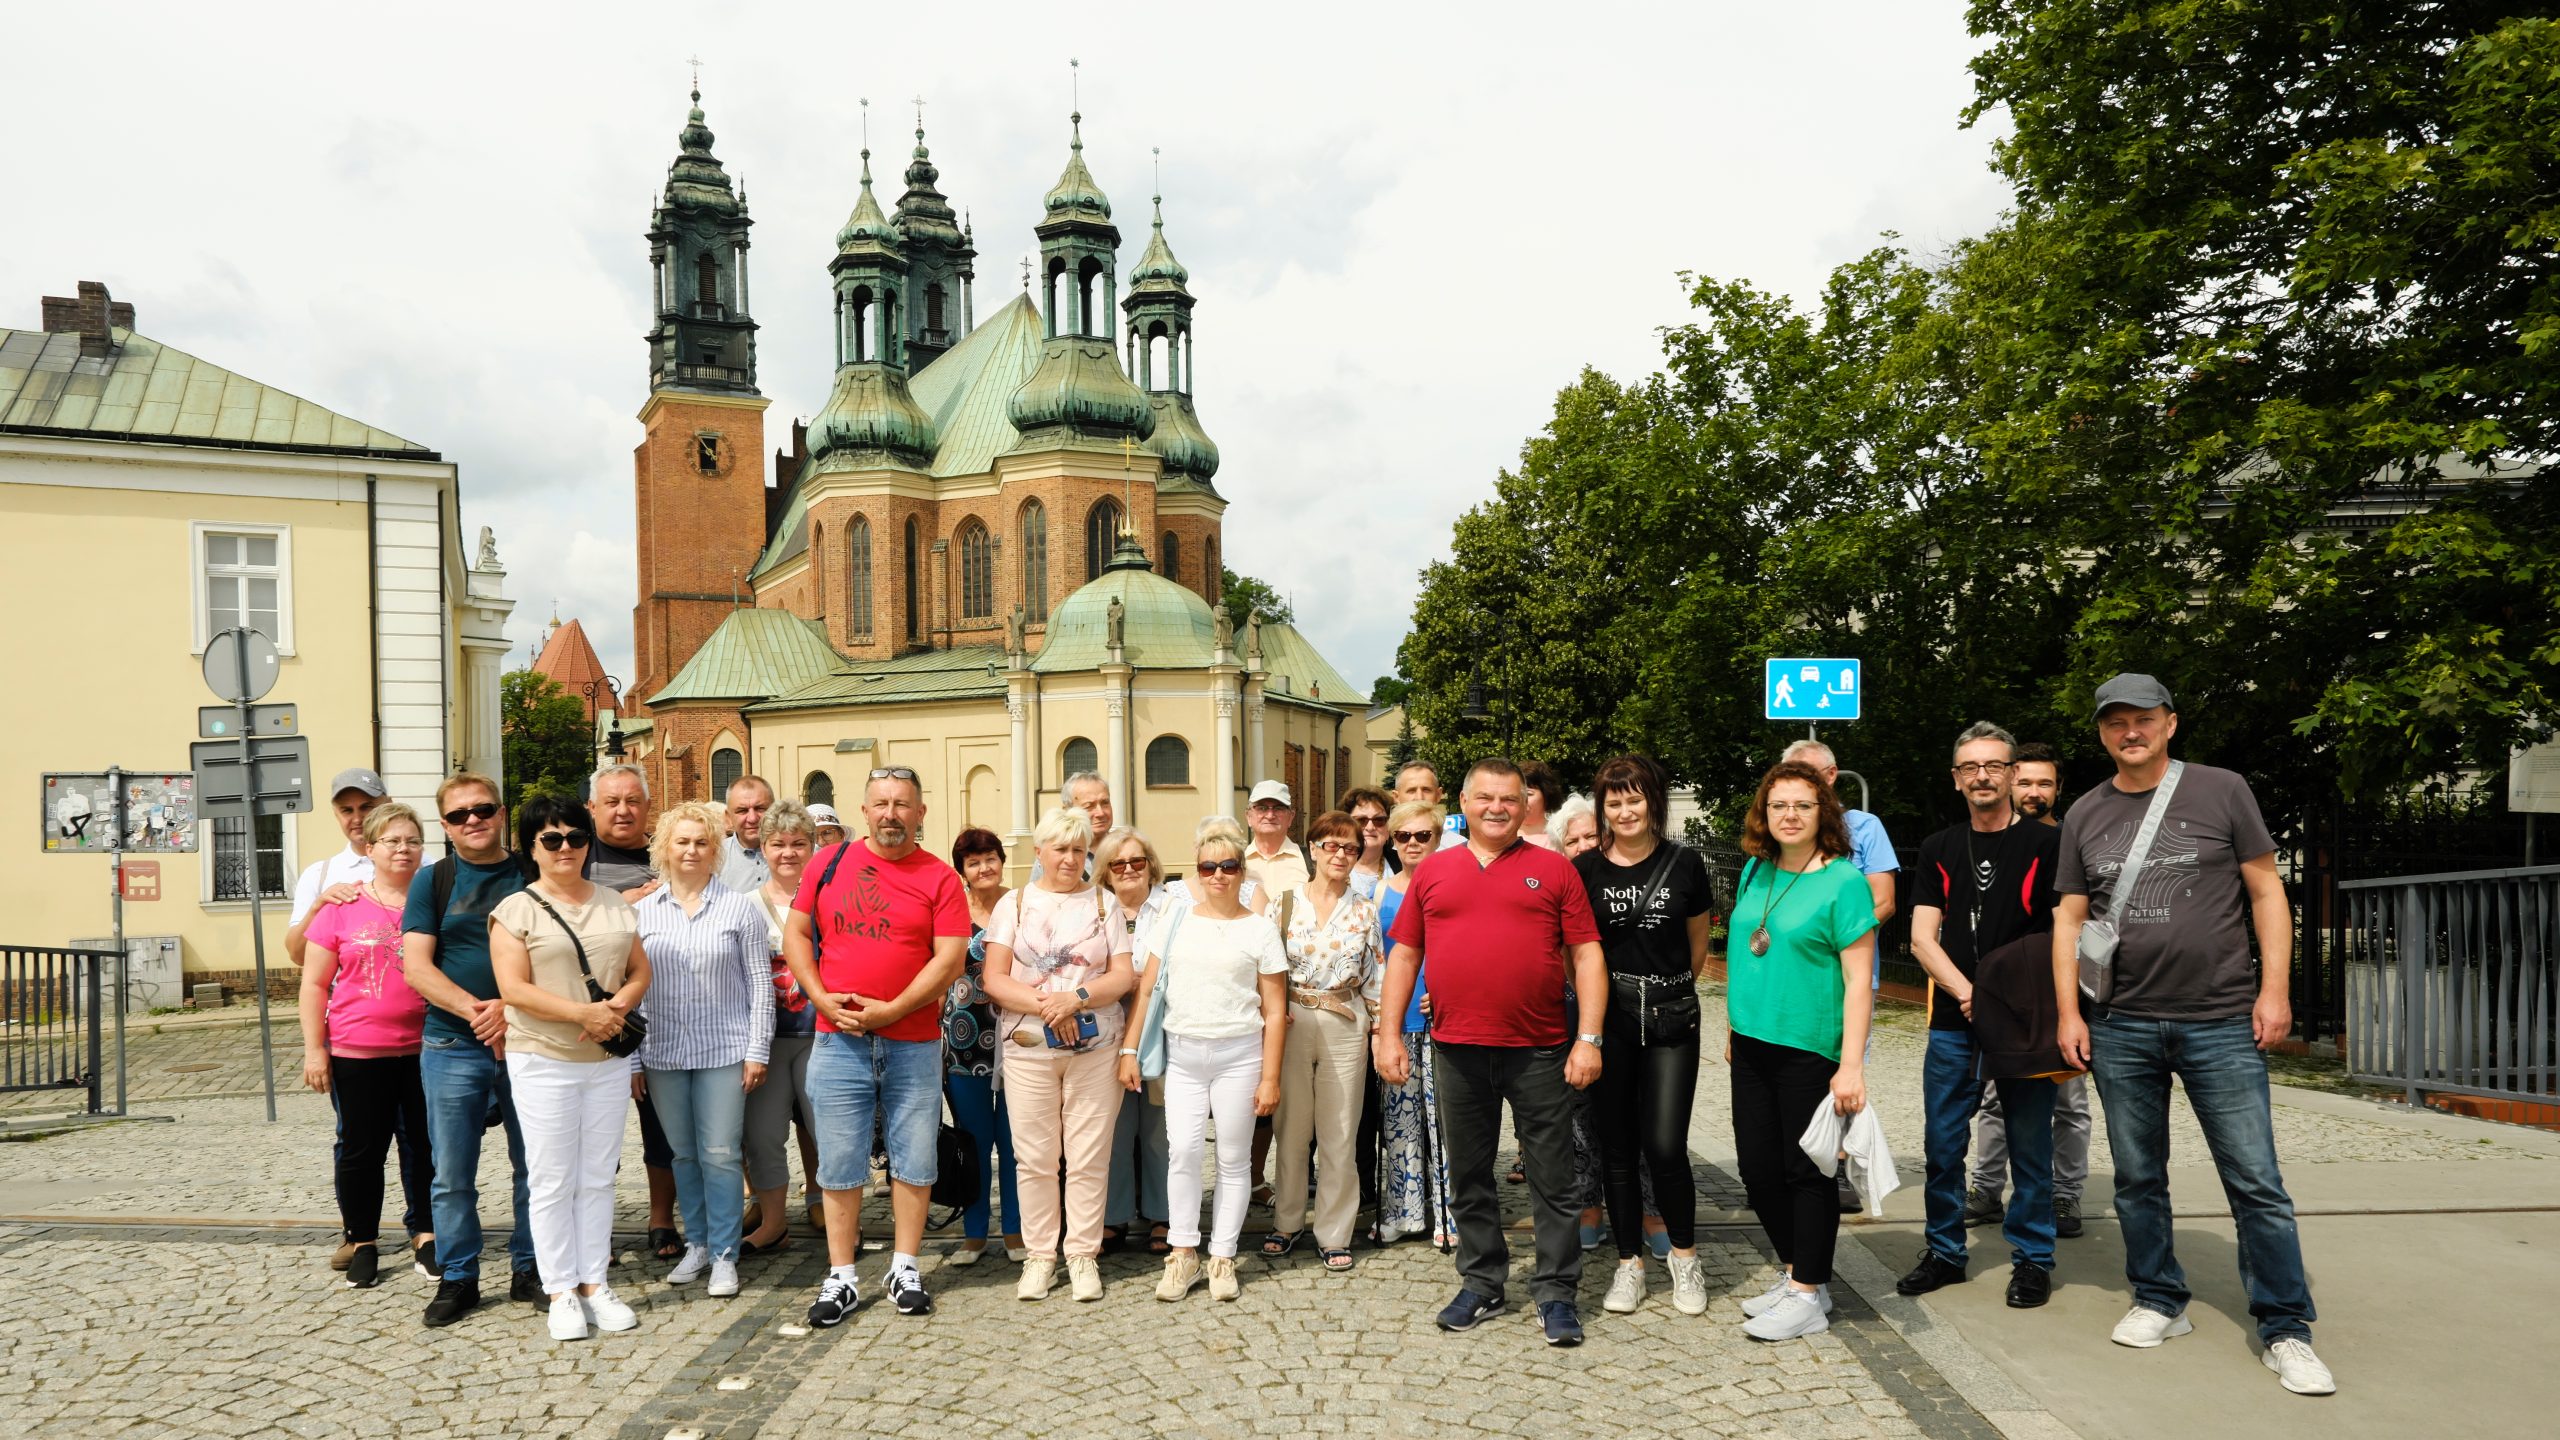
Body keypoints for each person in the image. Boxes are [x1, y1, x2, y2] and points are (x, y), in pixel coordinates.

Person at [2052, 675, 2333, 1395]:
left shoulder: (2221, 789)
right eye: (2115, 722)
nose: (2129, 732)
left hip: (2220, 1019)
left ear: (2170, 724)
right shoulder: (2085, 811)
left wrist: (2274, 990)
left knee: (2256, 1181)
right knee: (2139, 1179)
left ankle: (2285, 1328)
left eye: (2143, 719)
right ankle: (2158, 1297)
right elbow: (2069, 920)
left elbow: (2267, 890)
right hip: (2123, 1024)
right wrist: (2069, 1012)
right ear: (2102, 732)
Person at [1376, 759, 1605, 1348]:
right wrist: (1387, 1033)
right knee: (1470, 1175)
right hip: (1458, 1049)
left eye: (1508, 799)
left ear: (1525, 802)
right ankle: (1482, 1281)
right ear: (1464, 801)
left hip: (1541, 1048)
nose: (1497, 808)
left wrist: (1589, 1037)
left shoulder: (1554, 870)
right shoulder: (1434, 872)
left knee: (1554, 1180)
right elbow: (1404, 956)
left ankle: (1555, 1292)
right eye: (1485, 798)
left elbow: (1585, 955)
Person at [785, 767, 971, 1326]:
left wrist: (892, 1010)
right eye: (881, 803)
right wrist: (819, 996)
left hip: (912, 1042)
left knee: (915, 1160)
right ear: (864, 811)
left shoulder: (939, 878)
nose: (891, 813)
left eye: (902, 804)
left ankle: (904, 1266)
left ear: (921, 813)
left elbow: (950, 959)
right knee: (839, 1162)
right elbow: (796, 934)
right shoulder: (828, 862)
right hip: (837, 1041)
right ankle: (841, 1275)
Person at [1897, 723, 2065, 1310]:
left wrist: (1999, 1001)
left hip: (2023, 1024)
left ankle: (2034, 1259)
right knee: (1943, 1146)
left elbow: (2059, 935)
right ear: (1956, 779)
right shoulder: (1941, 846)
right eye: (1970, 767)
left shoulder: (2049, 846)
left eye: (1994, 766)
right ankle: (1944, 1252)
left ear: (2013, 774)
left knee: (2029, 1146)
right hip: (1953, 1021)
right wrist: (1970, 992)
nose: (1982, 777)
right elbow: (1921, 937)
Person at [487, 796, 651, 1343]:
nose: (565, 848)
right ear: (532, 848)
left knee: (599, 1175)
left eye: (575, 838)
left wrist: (615, 1010)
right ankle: (559, 1287)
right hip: (543, 1058)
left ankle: (594, 1282)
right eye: (551, 839)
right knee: (553, 1178)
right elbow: (513, 990)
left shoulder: (614, 903)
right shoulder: (516, 910)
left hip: (603, 1059)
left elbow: (638, 969)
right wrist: (584, 1013)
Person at [1725, 760, 1878, 1341]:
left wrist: (1852, 1066)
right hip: (1752, 1044)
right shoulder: (1754, 872)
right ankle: (1798, 1275)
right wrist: (1734, 1031)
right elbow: (1746, 955)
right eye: (1778, 805)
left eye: (1802, 805)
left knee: (1806, 1172)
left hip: (1811, 1049)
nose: (1789, 815)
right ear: (1764, 813)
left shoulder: (1843, 882)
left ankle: (1809, 1293)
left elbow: (1859, 982)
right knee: (1757, 1172)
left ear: (1824, 814)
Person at [1120, 818, 1289, 1302]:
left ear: (1242, 871)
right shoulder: (1175, 917)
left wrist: (1270, 1077)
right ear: (1197, 870)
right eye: (1208, 866)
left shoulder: (1259, 929)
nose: (1218, 874)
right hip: (1185, 1053)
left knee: (1234, 1160)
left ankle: (1223, 1256)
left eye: (1228, 865)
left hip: (1239, 1054)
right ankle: (1184, 1254)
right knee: (1183, 1154)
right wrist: (1130, 1049)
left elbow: (1275, 1011)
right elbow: (1148, 989)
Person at [1575, 755, 1714, 1319]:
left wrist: (1665, 993)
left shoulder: (1686, 863)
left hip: (1671, 1016)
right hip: (1610, 1017)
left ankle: (1684, 1256)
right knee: (1615, 1147)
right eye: (1614, 802)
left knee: (1663, 1145)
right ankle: (1628, 1262)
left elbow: (1699, 944)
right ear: (1602, 808)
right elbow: (1576, 954)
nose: (1625, 811)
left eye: (1635, 799)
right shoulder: (1585, 869)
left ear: (1653, 800)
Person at [401, 773, 539, 1328]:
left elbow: (553, 951)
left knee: (534, 1166)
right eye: (459, 815)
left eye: (482, 810)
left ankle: (530, 1268)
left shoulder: (532, 871)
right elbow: (416, 966)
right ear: (445, 826)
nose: (472, 820)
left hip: (530, 1040)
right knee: (452, 1171)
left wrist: (511, 1007)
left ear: (501, 813)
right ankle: (459, 1276)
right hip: (452, 1042)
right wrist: (480, 1011)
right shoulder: (433, 880)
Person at [982, 807, 1136, 1302]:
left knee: (1090, 1155)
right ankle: (1040, 1256)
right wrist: (1051, 1005)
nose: (1069, 859)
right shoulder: (1016, 902)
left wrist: (1079, 998)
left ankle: (1083, 1254)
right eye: (1060, 849)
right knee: (1034, 1158)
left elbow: (1121, 975)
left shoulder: (1103, 903)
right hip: (1028, 1046)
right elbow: (995, 978)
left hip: (1095, 1046)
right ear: (1039, 852)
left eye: (1078, 850)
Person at [289, 766, 432, 1279]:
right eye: (391, 841)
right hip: (356, 1050)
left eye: (412, 841)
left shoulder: (434, 898)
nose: (402, 849)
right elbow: (312, 981)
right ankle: (362, 1239)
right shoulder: (341, 903)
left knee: (422, 1143)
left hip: (425, 1047)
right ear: (369, 849)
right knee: (360, 1148)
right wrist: (314, 1048)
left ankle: (426, 1233)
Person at [632, 800, 774, 1298]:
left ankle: (724, 1254)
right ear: (665, 849)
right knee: (683, 1154)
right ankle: (697, 1242)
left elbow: (760, 985)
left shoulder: (739, 907)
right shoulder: (642, 912)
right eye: (682, 841)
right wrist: (632, 1060)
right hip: (663, 1050)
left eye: (701, 842)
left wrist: (757, 1050)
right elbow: (630, 989)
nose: (691, 850)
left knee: (719, 1154)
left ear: (715, 850)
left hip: (724, 1049)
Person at [1970, 740, 2094, 1238]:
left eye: (2045, 783)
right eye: (2024, 782)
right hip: (2007, 993)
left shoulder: (2071, 843)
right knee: (1998, 1096)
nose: (2033, 792)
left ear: (2058, 789)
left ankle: (2065, 1196)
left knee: (2069, 1099)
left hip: (2061, 989)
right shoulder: (1991, 843)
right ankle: (1985, 1187)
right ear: (2008, 782)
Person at [1783, 737, 1900, 1211]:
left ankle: (1839, 1169)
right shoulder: (1783, 833)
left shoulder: (1863, 827)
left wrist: (1827, 936)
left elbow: (1885, 901)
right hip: (1792, 980)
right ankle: (1790, 1167)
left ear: (1831, 777)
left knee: (1840, 1073)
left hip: (1845, 978)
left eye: (1807, 774)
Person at [1263, 810, 1381, 1272]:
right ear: (1312, 848)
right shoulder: (1283, 903)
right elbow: (1266, 970)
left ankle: (1334, 1231)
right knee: (1291, 1128)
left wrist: (1378, 1031)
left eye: (1349, 847)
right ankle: (1287, 1221)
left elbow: (1376, 977)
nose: (1340, 855)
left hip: (1344, 1019)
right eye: (1330, 845)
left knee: (1340, 1129)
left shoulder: (1364, 910)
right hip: (1291, 1020)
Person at [584, 763, 682, 1260]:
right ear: (592, 809)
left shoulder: (666, 855)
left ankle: (661, 1219)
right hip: (586, 1021)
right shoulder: (576, 855)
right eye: (612, 802)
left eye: (633, 801)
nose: (623, 811)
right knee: (592, 1133)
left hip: (658, 1014)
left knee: (659, 1128)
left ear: (648, 806)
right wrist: (620, 903)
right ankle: (591, 1227)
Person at [742, 801, 824, 1255]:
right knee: (763, 1134)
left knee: (827, 1130)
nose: (788, 853)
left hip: (820, 1036)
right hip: (767, 1041)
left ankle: (834, 1214)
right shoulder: (746, 906)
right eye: (778, 844)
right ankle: (773, 1221)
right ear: (763, 847)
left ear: (812, 847)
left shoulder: (829, 901)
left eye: (798, 843)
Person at [1372, 800, 1454, 1250]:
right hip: (1396, 1021)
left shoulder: (1453, 886)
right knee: (1400, 1124)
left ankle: (1451, 1214)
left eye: (1423, 835)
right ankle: (1405, 1213)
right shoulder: (1381, 893)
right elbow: (1375, 962)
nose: (1413, 844)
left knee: (1447, 1122)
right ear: (1392, 841)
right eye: (1403, 836)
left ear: (1437, 838)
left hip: (1445, 1021)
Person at [944, 826, 1025, 1265]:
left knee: (1015, 1144)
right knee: (972, 1143)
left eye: (990, 858)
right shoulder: (952, 911)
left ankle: (1015, 1231)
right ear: (963, 871)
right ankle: (974, 1233)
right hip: (963, 1039)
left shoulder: (1021, 904)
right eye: (973, 862)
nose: (984, 867)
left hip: (1015, 1036)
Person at [1097, 827, 1173, 1255]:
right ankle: (1114, 1216)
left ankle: (1163, 1216)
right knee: (1114, 1128)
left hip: (1160, 1031)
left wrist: (1134, 981)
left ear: (1150, 866)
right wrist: (1125, 981)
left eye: (1137, 861)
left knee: (1158, 1130)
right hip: (1108, 1031)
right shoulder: (1095, 910)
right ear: (1106, 873)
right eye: (1118, 863)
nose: (1128, 869)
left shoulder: (1172, 907)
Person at [1242, 780, 1310, 896]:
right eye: (1262, 808)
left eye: (1278, 808)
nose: (1270, 815)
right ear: (1249, 816)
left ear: (1291, 817)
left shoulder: (1310, 861)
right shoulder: (1236, 863)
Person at [719, 774, 776, 891]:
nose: (752, 818)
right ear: (728, 817)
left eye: (760, 808)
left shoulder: (804, 853)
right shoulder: (714, 858)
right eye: (742, 811)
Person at [1394, 761, 1466, 849]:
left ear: (1438, 795)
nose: (1419, 797)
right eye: (1411, 790)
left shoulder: (1459, 847)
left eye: (1426, 790)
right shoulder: (1381, 846)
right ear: (1396, 797)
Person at [1340, 787, 1393, 898]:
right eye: (1360, 820)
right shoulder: (1332, 863)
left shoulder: (1402, 866)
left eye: (1379, 820)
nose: (1370, 827)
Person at [1517, 762, 1565, 851]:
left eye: (1529, 794)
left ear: (1547, 796)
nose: (1521, 800)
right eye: (1516, 795)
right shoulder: (1502, 837)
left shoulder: (1562, 836)